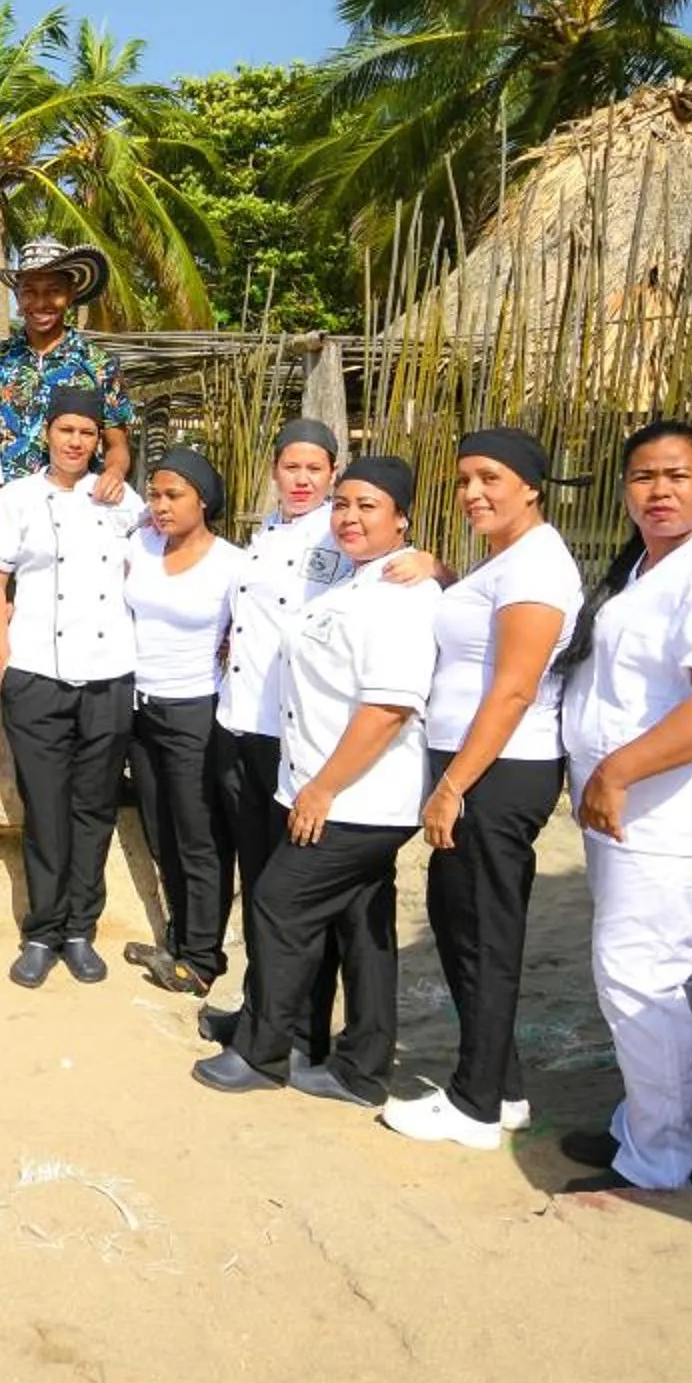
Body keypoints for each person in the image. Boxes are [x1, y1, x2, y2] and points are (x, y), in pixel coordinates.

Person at [557, 422, 692, 1192]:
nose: (659, 491)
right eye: (644, 477)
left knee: (639, 978)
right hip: (629, 815)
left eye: (677, 475)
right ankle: (636, 1130)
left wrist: (617, 770)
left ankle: (659, 1161)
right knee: (630, 972)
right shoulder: (651, 565)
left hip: (674, 814)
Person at [193, 457, 442, 1105]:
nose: (350, 517)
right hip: (326, 782)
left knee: (278, 904)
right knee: (361, 924)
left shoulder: (403, 595)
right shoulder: (354, 578)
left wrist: (324, 787)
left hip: (358, 795)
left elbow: (388, 709)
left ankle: (266, 1051)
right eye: (344, 504)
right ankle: (358, 1070)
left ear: (402, 519)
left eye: (368, 506)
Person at [382, 426, 585, 1154]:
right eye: (466, 479)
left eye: (490, 479)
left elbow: (515, 689)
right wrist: (441, 572)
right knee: (460, 919)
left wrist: (453, 787)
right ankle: (504, 1087)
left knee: (486, 933)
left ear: (531, 485)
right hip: (473, 767)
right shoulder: (504, 560)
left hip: (497, 771)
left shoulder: (537, 567)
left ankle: (473, 1107)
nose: (473, 493)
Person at [0, 385, 146, 987]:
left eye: (88, 434)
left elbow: (155, 570)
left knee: (94, 809)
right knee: (45, 810)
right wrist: (5, 664)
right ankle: (42, 932)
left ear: (101, 441)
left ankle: (80, 930)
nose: (76, 442)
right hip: (38, 675)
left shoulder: (125, 502)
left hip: (108, 676)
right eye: (66, 430)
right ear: (47, 433)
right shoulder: (19, 498)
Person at [196, 419, 352, 1040]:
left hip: (292, 737)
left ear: (333, 473)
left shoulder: (342, 535)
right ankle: (263, 1012)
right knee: (258, 881)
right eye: (292, 467)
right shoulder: (265, 531)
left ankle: (299, 1024)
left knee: (291, 892)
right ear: (274, 470)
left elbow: (395, 572)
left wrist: (427, 565)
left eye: (316, 469)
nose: (303, 479)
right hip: (239, 724)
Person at [118, 448, 244, 997]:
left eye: (175, 496)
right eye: (156, 495)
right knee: (160, 830)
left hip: (196, 709)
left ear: (204, 500)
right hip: (140, 708)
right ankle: (176, 940)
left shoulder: (233, 563)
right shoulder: (140, 544)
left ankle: (202, 958)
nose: (162, 506)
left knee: (200, 837)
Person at [0, 238, 136, 495]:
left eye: (53, 290)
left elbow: (117, 445)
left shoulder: (99, 365)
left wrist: (114, 472)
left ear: (70, 295)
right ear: (18, 297)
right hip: (2, 512)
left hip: (76, 510)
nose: (41, 302)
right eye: (30, 291)